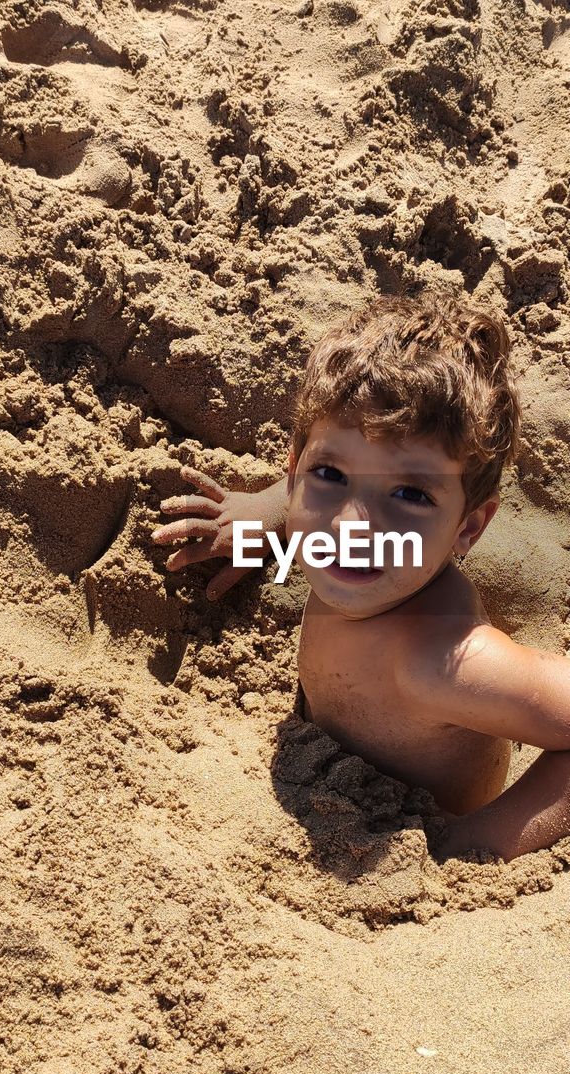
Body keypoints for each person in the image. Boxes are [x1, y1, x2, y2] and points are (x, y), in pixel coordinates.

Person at [151, 293, 570, 863]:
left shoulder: (444, 659)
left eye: (410, 495)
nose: (353, 523)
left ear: (468, 528)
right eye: (328, 474)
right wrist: (265, 519)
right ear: (295, 467)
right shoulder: (359, 543)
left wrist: (482, 839)